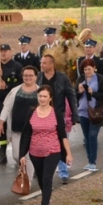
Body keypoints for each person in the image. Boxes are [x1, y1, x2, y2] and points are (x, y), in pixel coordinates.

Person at [18, 86, 73, 205]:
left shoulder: (56, 114)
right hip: (35, 151)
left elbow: (62, 135)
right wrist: (22, 155)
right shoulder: (32, 113)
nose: (42, 99)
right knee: (42, 179)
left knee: (47, 178)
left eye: (45, 96)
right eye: (40, 96)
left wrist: (68, 153)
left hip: (52, 150)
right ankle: (46, 197)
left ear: (50, 98)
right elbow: (26, 135)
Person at [38, 54, 77, 184]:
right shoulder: (38, 78)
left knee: (60, 143)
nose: (42, 65)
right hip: (41, 115)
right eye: (41, 63)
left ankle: (63, 172)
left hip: (58, 115)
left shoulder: (62, 78)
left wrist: (74, 115)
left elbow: (71, 96)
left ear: (51, 64)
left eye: (44, 63)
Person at [0, 65, 38, 179]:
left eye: (30, 75)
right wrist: (1, 122)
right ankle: (27, 170)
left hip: (33, 131)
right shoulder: (15, 91)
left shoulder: (40, 91)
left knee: (29, 155)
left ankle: (27, 180)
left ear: (36, 77)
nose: (28, 78)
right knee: (17, 156)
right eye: (25, 75)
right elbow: (7, 107)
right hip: (17, 129)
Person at [0, 43, 23, 165]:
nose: (3, 53)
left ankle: (20, 153)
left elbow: (22, 82)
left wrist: (7, 86)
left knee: (17, 126)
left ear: (10, 52)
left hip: (14, 101)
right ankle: (2, 152)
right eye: (1, 51)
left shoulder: (17, 66)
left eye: (6, 51)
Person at [76, 58, 103, 171]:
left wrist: (93, 93)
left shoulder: (100, 79)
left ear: (94, 68)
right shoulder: (80, 79)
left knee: (92, 136)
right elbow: (74, 95)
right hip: (83, 111)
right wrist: (80, 92)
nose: (87, 72)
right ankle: (89, 160)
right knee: (86, 137)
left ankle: (93, 162)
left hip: (96, 112)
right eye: (85, 69)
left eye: (89, 69)